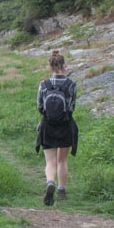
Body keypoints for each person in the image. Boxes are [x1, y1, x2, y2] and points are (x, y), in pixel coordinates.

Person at [36, 50, 78, 206]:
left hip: (48, 125)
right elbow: (72, 106)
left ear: (50, 66)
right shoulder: (71, 84)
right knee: (62, 160)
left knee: (50, 161)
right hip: (66, 124)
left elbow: (40, 106)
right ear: (63, 65)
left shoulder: (44, 84)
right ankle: (61, 190)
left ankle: (50, 182)